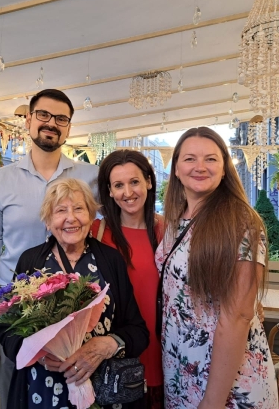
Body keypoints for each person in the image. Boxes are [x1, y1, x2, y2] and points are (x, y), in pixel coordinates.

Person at [0, 89, 98, 409]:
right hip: (15, 317)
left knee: (78, 399)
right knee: (15, 399)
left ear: (68, 127)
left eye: (61, 118)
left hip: (76, 313)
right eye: (43, 115)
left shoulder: (92, 177)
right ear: (28, 120)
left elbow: (124, 220)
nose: (51, 123)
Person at [0, 178, 149, 408]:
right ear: (48, 221)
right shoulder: (30, 262)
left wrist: (107, 344)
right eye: (61, 210)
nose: (71, 218)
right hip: (42, 393)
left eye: (79, 208)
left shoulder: (111, 260)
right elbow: (9, 331)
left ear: (90, 217)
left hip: (102, 390)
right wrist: (38, 354)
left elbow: (138, 330)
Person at [156, 127, 277, 409]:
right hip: (182, 367)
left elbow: (238, 316)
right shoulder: (176, 220)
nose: (200, 167)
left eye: (210, 159)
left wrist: (213, 400)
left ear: (224, 169)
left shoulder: (240, 222)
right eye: (190, 159)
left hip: (226, 381)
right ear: (176, 169)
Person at [90, 149, 164, 409]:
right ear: (109, 191)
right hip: (114, 348)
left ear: (149, 182)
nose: (128, 192)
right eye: (118, 185)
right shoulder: (96, 233)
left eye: (134, 182)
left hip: (163, 345)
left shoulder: (167, 230)